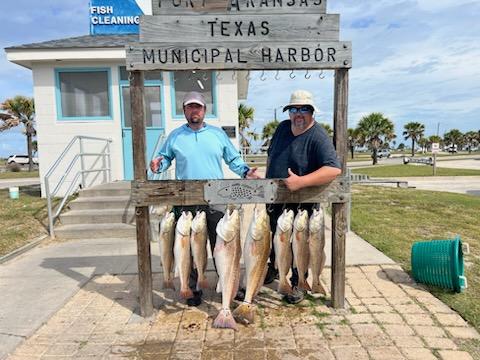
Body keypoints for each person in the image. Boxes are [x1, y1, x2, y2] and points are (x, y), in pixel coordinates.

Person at [150, 91, 260, 306]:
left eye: (198, 107)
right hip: (186, 200)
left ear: (204, 110)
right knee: (188, 247)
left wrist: (246, 172)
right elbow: (164, 159)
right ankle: (191, 288)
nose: (194, 111)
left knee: (223, 244)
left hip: (215, 197)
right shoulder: (175, 136)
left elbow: (233, 160)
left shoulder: (217, 135)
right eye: (190, 107)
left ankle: (227, 284)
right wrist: (157, 164)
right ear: (184, 111)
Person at [265, 89, 342, 304]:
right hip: (275, 199)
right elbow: (272, 156)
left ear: (312, 112)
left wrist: (301, 182)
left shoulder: (318, 136)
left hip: (302, 203)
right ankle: (274, 270)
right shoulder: (281, 128)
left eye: (304, 109)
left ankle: (300, 281)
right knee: (274, 240)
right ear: (289, 112)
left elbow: (334, 169)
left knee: (301, 245)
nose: (298, 114)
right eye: (294, 109)